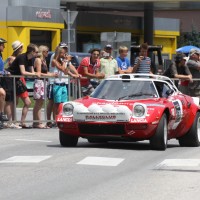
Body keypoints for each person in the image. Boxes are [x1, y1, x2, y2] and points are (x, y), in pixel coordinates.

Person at [46, 42, 80, 128]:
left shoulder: (63, 58)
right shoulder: (54, 57)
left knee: (62, 103)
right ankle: (51, 120)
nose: (64, 50)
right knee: (53, 102)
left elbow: (68, 68)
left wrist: (76, 74)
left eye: (65, 48)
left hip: (63, 82)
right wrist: (66, 60)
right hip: (54, 82)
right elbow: (62, 68)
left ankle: (60, 119)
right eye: (62, 49)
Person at [7, 43, 40, 128]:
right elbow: (23, 72)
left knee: (28, 102)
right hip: (10, 79)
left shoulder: (31, 59)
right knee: (12, 101)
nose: (37, 54)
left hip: (18, 80)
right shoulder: (22, 57)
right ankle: (11, 122)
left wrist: (35, 73)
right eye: (36, 52)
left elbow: (31, 72)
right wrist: (35, 74)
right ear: (32, 52)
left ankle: (22, 122)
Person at [32, 45, 58, 129]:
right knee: (38, 103)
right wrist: (51, 74)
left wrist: (51, 74)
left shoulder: (44, 60)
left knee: (40, 102)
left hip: (44, 82)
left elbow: (45, 72)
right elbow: (39, 73)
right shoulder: (38, 60)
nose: (48, 53)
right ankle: (37, 122)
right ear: (42, 52)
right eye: (46, 51)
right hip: (39, 82)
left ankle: (36, 122)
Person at [51, 46, 78, 116]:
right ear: (58, 53)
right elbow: (62, 69)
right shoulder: (54, 61)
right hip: (57, 85)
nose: (64, 55)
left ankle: (61, 116)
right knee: (57, 104)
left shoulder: (62, 61)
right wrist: (65, 61)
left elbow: (65, 71)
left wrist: (73, 74)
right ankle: (55, 119)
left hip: (63, 85)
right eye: (63, 53)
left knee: (63, 103)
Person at [3, 40, 23, 129]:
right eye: (21, 47)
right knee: (10, 100)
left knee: (15, 101)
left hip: (16, 80)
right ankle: (9, 121)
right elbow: (6, 67)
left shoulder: (19, 57)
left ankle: (13, 120)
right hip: (9, 80)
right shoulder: (12, 58)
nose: (22, 49)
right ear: (18, 48)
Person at [0, 38, 9, 129]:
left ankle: (1, 114)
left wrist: (5, 71)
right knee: (2, 93)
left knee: (2, 94)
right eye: (2, 45)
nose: (4, 47)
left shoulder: (1, 55)